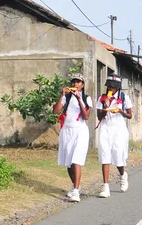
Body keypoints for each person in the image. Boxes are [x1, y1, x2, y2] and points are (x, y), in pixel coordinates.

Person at [53, 73, 92, 202]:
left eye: (78, 82)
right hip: (67, 131)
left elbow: (86, 116)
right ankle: (76, 186)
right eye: (73, 82)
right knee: (68, 163)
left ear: (82, 85)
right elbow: (55, 110)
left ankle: (75, 191)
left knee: (76, 160)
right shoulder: (67, 97)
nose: (75, 84)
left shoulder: (87, 98)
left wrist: (79, 98)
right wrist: (62, 94)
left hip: (80, 131)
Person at [96, 75, 133, 198]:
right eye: (109, 86)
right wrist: (105, 107)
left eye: (113, 86)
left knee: (118, 156)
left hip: (119, 129)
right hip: (105, 128)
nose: (111, 88)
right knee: (105, 156)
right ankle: (105, 186)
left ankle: (123, 175)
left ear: (118, 88)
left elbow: (130, 115)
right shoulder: (102, 98)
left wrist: (119, 111)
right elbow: (99, 117)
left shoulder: (124, 98)